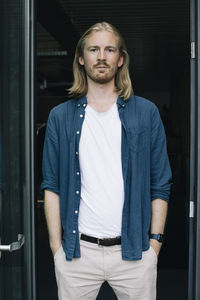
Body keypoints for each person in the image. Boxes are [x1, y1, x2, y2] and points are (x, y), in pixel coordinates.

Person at [41, 21, 172, 300]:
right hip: (77, 256)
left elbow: (160, 184)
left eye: (109, 49)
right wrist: (57, 247)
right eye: (94, 49)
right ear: (81, 58)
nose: (102, 56)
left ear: (120, 59)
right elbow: (51, 186)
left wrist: (154, 245)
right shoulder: (60, 117)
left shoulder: (146, 114)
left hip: (135, 255)